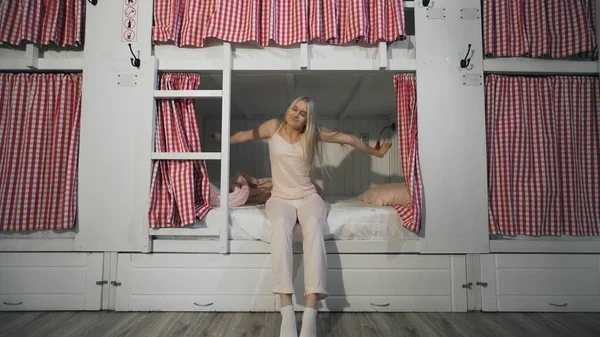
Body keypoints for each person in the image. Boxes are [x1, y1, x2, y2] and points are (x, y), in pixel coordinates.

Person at [218, 96, 392, 337]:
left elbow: (349, 139)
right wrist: (221, 140)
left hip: (308, 197)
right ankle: (287, 312)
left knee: (313, 228)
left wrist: (378, 154)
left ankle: (311, 313)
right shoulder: (273, 127)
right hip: (280, 198)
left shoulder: (312, 135)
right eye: (294, 108)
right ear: (288, 108)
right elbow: (245, 135)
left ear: (307, 120)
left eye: (302, 113)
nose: (296, 114)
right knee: (279, 227)